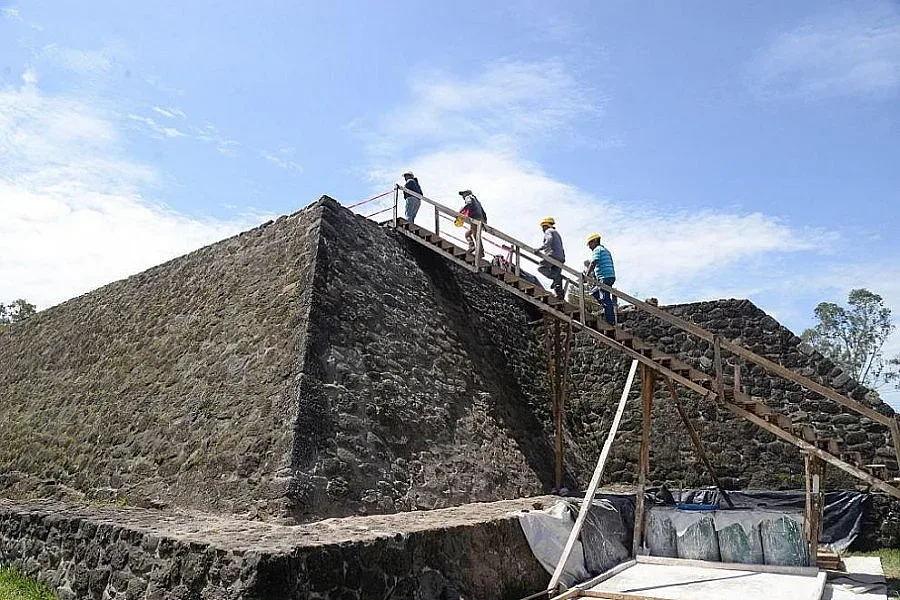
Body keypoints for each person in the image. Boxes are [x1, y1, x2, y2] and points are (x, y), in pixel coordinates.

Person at [585, 233, 617, 325]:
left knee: (605, 298)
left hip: (604, 278)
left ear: (595, 241)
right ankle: (606, 309)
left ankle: (610, 322)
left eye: (590, 244)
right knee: (594, 292)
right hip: (610, 277)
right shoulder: (605, 250)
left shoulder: (597, 250)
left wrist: (586, 275)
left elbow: (593, 262)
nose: (589, 247)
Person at [536, 217, 566, 298]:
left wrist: (539, 249)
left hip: (552, 255)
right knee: (556, 277)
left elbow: (549, 239)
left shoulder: (548, 231)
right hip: (561, 258)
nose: (542, 229)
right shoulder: (556, 232)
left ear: (546, 226)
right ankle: (560, 295)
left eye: (543, 227)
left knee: (541, 268)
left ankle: (556, 277)